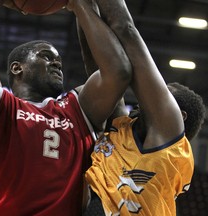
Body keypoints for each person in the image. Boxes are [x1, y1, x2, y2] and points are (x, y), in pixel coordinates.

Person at [0, 0, 132, 215]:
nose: (56, 63)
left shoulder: (77, 108)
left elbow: (119, 72)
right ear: (17, 68)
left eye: (58, 60)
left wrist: (79, 5)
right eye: (46, 56)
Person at [79, 0, 206, 215]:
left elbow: (125, 29)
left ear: (179, 116)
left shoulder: (169, 140)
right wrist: (82, 7)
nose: (157, 89)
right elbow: (104, 68)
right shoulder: (122, 129)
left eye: (166, 91)